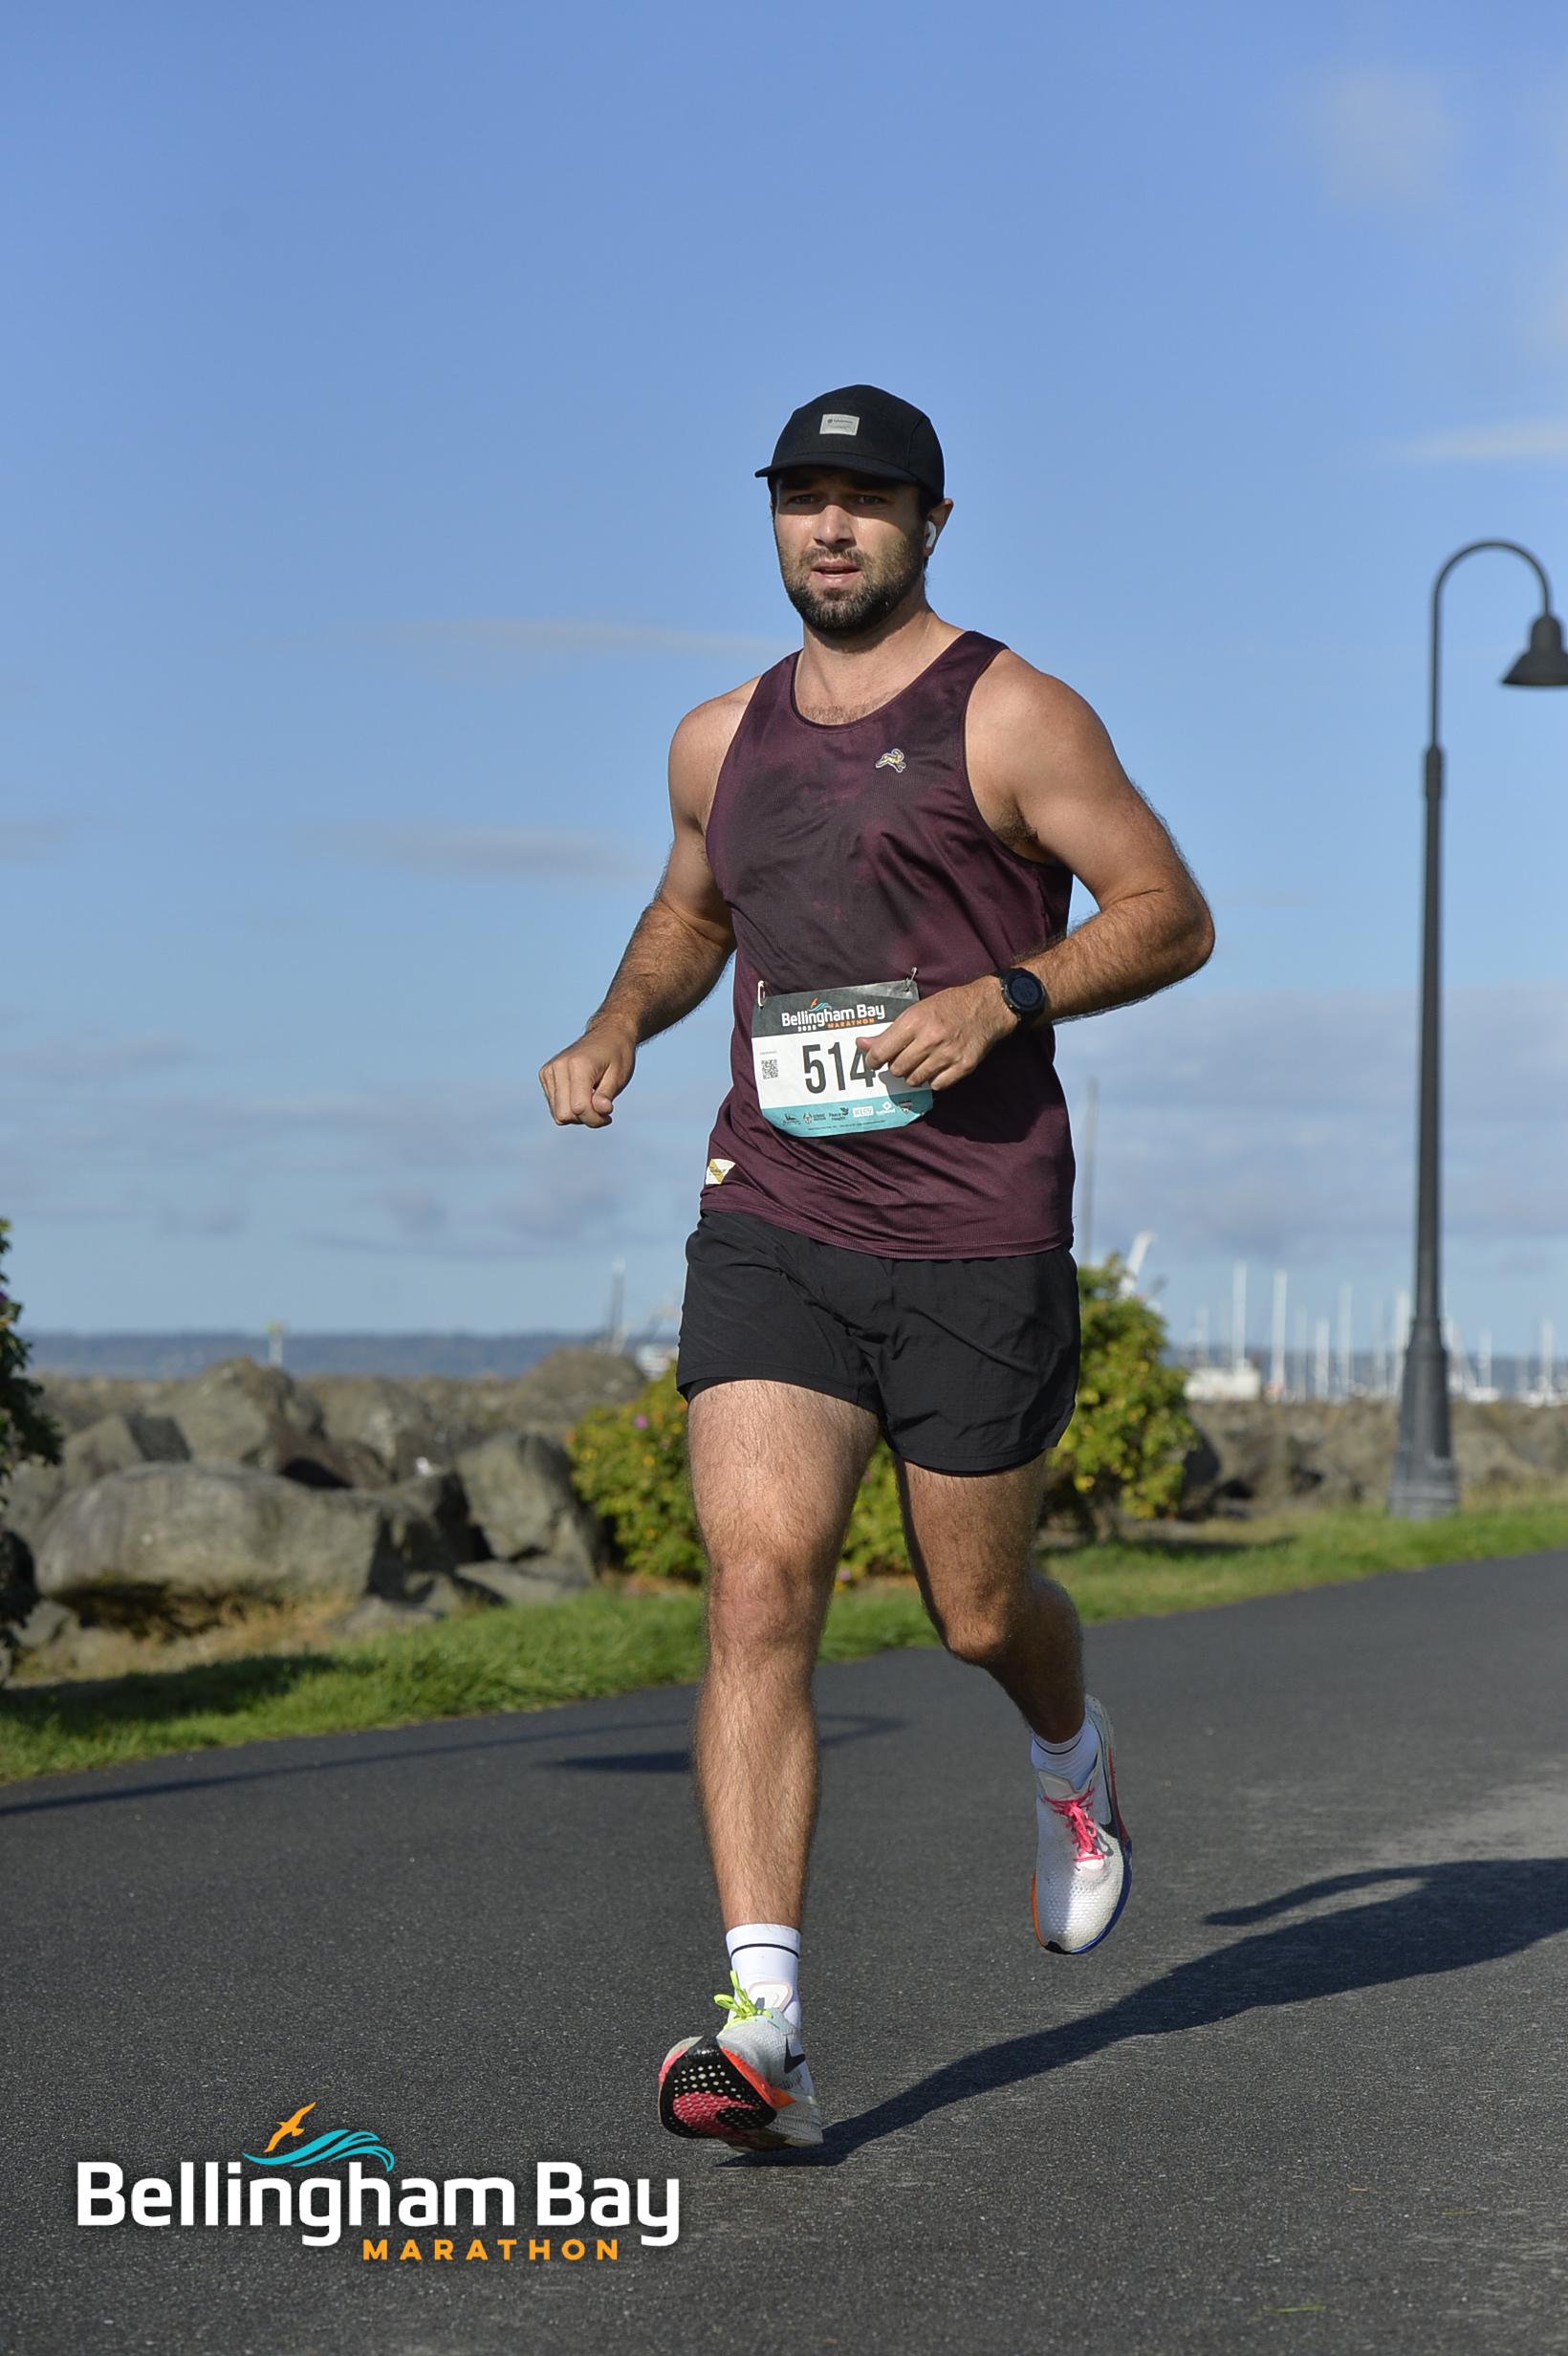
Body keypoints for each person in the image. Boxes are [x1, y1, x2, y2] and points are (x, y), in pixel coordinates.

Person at [538, 384, 1214, 2151]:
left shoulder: (1013, 712)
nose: (829, 528)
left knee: (976, 1611)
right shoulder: (717, 740)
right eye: (802, 498)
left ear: (930, 524)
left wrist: (1008, 995)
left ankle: (1069, 1756)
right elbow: (693, 910)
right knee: (760, 1581)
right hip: (775, 1210)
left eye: (865, 500)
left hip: (976, 1229)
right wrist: (615, 1026)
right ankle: (761, 2023)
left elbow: (1168, 912)